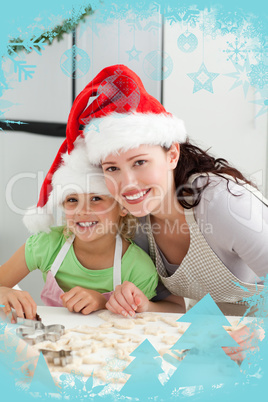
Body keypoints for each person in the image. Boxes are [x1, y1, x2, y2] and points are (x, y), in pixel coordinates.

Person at [59, 64, 267, 319]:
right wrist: (141, 305)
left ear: (172, 155)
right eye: (112, 168)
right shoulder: (136, 222)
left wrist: (255, 337)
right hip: (211, 330)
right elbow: (176, 306)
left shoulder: (220, 203)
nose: (128, 183)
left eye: (139, 162)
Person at [0, 136, 185, 323]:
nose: (82, 211)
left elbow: (156, 317)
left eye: (96, 199)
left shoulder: (138, 268)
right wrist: (4, 293)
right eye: (72, 200)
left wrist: (103, 303)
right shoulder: (45, 245)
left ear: (122, 206)